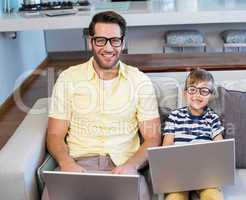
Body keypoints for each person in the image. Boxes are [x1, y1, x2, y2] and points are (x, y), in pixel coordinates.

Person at [45, 11, 161, 200]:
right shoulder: (68, 78)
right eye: (101, 40)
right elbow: (55, 134)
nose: (108, 48)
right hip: (78, 165)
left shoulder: (140, 80)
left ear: (123, 43)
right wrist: (66, 163)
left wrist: (131, 166)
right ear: (91, 42)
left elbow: (153, 136)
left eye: (114, 40)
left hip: (122, 167)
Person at [162, 69, 224, 200]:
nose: (197, 95)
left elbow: (221, 148)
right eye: (192, 89)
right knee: (174, 198)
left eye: (204, 91)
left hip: (206, 174)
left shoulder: (212, 118)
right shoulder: (174, 116)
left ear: (211, 96)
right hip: (179, 173)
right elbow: (166, 147)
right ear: (185, 93)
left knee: (213, 196)